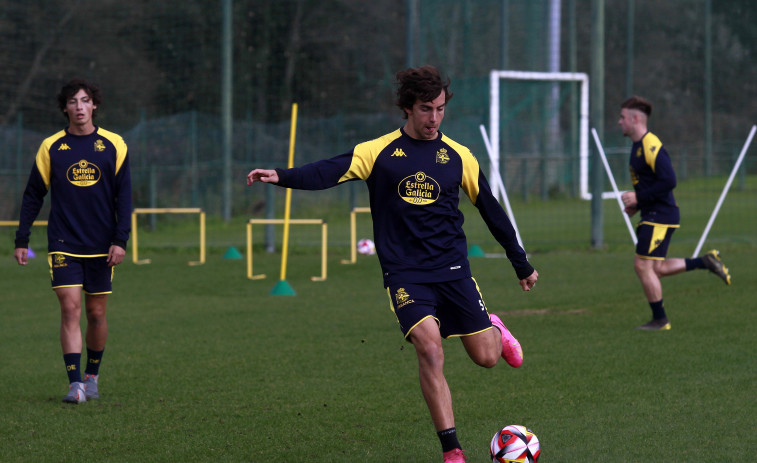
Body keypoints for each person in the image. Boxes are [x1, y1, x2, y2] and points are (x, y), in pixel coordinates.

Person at [247, 65, 538, 462]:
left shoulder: (459, 157)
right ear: (407, 108)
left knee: (486, 358)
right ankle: (452, 450)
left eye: (439, 109)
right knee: (430, 350)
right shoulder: (377, 153)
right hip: (405, 274)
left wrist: (520, 262)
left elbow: (491, 210)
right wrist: (279, 175)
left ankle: (495, 326)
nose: (434, 118)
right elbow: (326, 171)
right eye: (424, 109)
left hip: (452, 269)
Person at [14, 78, 132, 403]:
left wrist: (120, 240)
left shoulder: (114, 145)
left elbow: (125, 197)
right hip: (63, 242)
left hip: (102, 244)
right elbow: (32, 196)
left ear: (94, 105)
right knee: (70, 308)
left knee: (95, 313)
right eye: (72, 102)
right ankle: (75, 383)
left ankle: (92, 376)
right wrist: (22, 239)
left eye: (84, 101)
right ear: (64, 108)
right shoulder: (51, 147)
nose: (79, 107)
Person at [618, 96, 730, 331]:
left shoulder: (651, 145)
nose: (619, 122)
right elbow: (653, 184)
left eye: (622, 117)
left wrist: (639, 198)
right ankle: (705, 261)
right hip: (653, 213)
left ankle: (660, 320)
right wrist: (637, 204)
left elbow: (669, 180)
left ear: (635, 118)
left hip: (660, 215)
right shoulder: (637, 147)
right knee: (655, 269)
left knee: (642, 267)